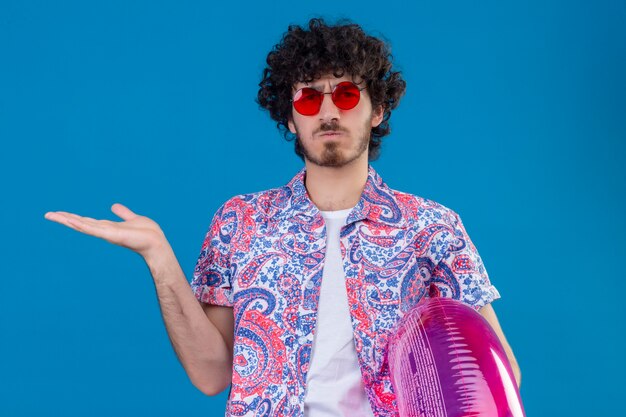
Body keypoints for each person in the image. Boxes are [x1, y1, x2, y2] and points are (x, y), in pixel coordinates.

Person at [45, 18, 521, 417]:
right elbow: (211, 375)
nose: (329, 111)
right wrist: (160, 259)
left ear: (377, 111)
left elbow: (500, 374)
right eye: (309, 99)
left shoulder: (432, 228)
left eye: (348, 95)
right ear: (291, 118)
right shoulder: (240, 222)